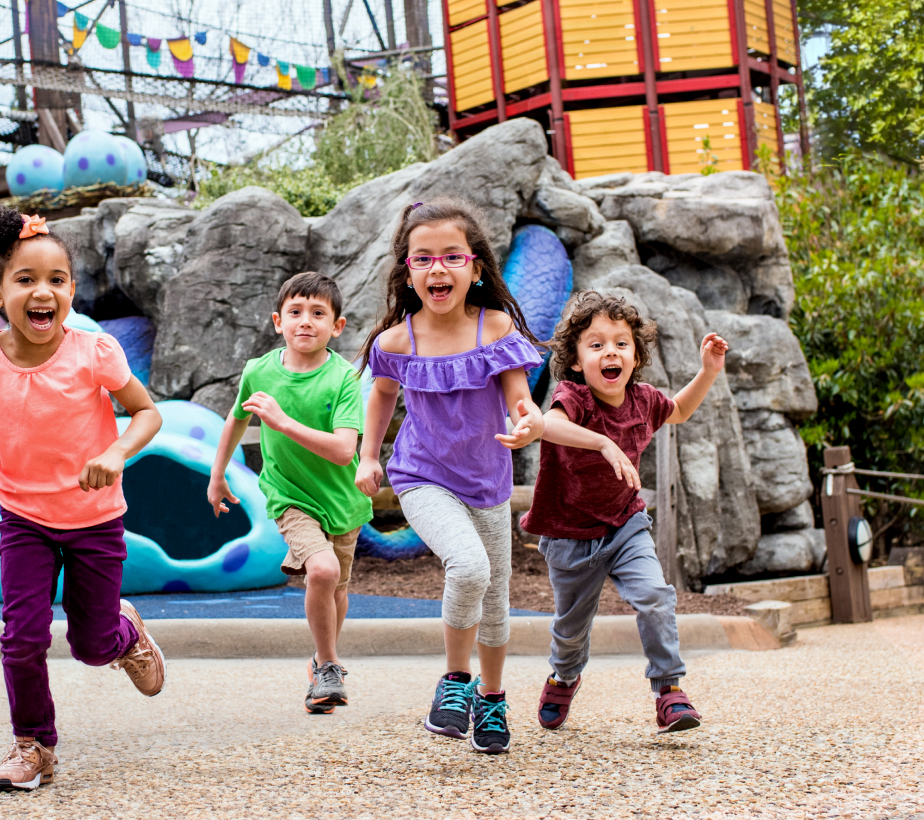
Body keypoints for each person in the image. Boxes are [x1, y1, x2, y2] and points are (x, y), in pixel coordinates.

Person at [0, 207, 167, 791]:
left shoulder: (94, 351)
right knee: (22, 637)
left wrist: (116, 453)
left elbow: (147, 414)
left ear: (70, 289)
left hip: (94, 521)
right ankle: (33, 746)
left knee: (92, 647)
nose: (43, 291)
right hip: (23, 519)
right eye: (26, 279)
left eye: (57, 280)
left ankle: (125, 634)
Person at [355, 199, 546, 755]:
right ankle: (456, 682)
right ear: (407, 270)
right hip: (422, 475)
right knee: (469, 568)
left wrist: (527, 422)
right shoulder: (396, 341)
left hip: (487, 480)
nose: (437, 269)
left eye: (451, 256)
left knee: (495, 598)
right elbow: (382, 398)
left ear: (475, 268)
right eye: (423, 259)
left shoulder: (495, 327)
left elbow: (517, 396)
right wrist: (370, 456)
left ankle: (492, 698)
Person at [523, 291, 728, 735]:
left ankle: (669, 690)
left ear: (635, 356)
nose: (609, 352)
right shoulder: (573, 397)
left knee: (655, 596)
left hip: (625, 524)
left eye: (621, 343)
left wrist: (707, 371)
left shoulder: (644, 400)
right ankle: (564, 675)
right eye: (595, 345)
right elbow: (547, 424)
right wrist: (600, 441)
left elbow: (679, 410)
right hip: (569, 533)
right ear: (576, 361)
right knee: (571, 629)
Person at [206, 272, 373, 715]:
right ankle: (332, 666)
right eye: (296, 312)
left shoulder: (343, 379)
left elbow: (343, 451)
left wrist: (281, 422)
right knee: (321, 572)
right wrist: (217, 473)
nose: (306, 322)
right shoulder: (259, 371)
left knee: (336, 586)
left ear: (337, 326)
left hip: (342, 500)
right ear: (278, 321)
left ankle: (321, 662)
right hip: (290, 495)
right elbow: (236, 420)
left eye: (318, 314)